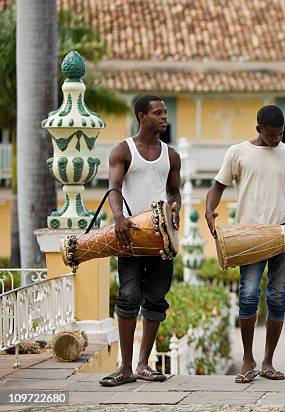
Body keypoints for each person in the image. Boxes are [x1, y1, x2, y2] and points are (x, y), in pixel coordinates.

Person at [205, 105, 285, 384]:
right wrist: (209, 211)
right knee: (249, 295)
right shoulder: (237, 153)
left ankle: (268, 361)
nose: (276, 139)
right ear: (259, 129)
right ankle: (248, 359)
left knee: (277, 297)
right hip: (249, 236)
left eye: (280, 134)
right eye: (271, 134)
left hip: (284, 236)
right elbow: (217, 188)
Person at [101, 95, 181, 386]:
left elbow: (174, 191)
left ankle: (144, 364)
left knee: (156, 301)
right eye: (157, 113)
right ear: (141, 116)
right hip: (132, 235)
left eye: (165, 112)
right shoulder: (123, 150)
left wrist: (176, 209)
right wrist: (118, 217)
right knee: (128, 297)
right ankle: (125, 368)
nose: (164, 117)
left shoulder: (171, 155)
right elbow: (114, 187)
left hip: (163, 239)